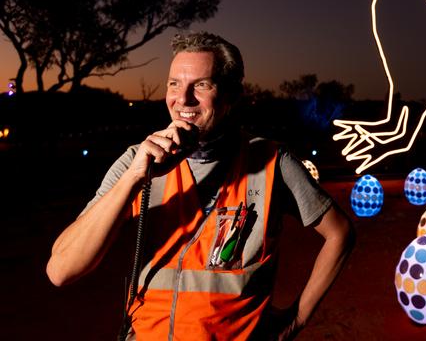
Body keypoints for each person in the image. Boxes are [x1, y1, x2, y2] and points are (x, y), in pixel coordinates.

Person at [46, 32, 355, 340]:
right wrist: (132, 179)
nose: (183, 99)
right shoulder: (136, 160)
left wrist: (296, 318)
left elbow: (340, 233)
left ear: (232, 95)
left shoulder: (272, 160)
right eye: (174, 84)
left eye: (202, 85)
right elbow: (61, 271)